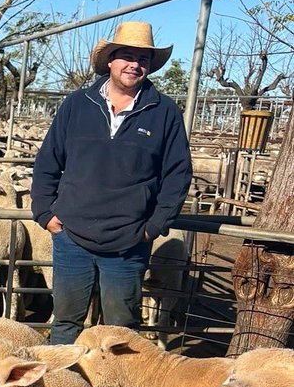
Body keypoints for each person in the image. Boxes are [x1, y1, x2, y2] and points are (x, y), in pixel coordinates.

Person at [31, 21, 192, 344]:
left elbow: (178, 174)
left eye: (143, 59)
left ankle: (117, 381)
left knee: (121, 330)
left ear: (150, 66)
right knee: (65, 323)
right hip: (72, 235)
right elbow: (48, 160)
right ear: (110, 61)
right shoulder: (78, 104)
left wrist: (153, 226)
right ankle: (65, 377)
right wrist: (45, 213)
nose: (135, 65)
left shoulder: (164, 112)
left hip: (128, 242)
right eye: (127, 56)